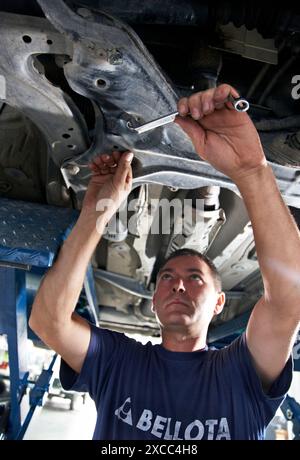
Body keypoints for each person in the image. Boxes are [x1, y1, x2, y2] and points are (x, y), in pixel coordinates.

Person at [29, 84, 299, 440]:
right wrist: (99, 210)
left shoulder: (242, 372)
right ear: (154, 301)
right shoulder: (118, 363)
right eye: (168, 277)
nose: (179, 283)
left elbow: (288, 298)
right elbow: (48, 322)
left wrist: (252, 169)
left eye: (195, 278)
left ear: (219, 302)